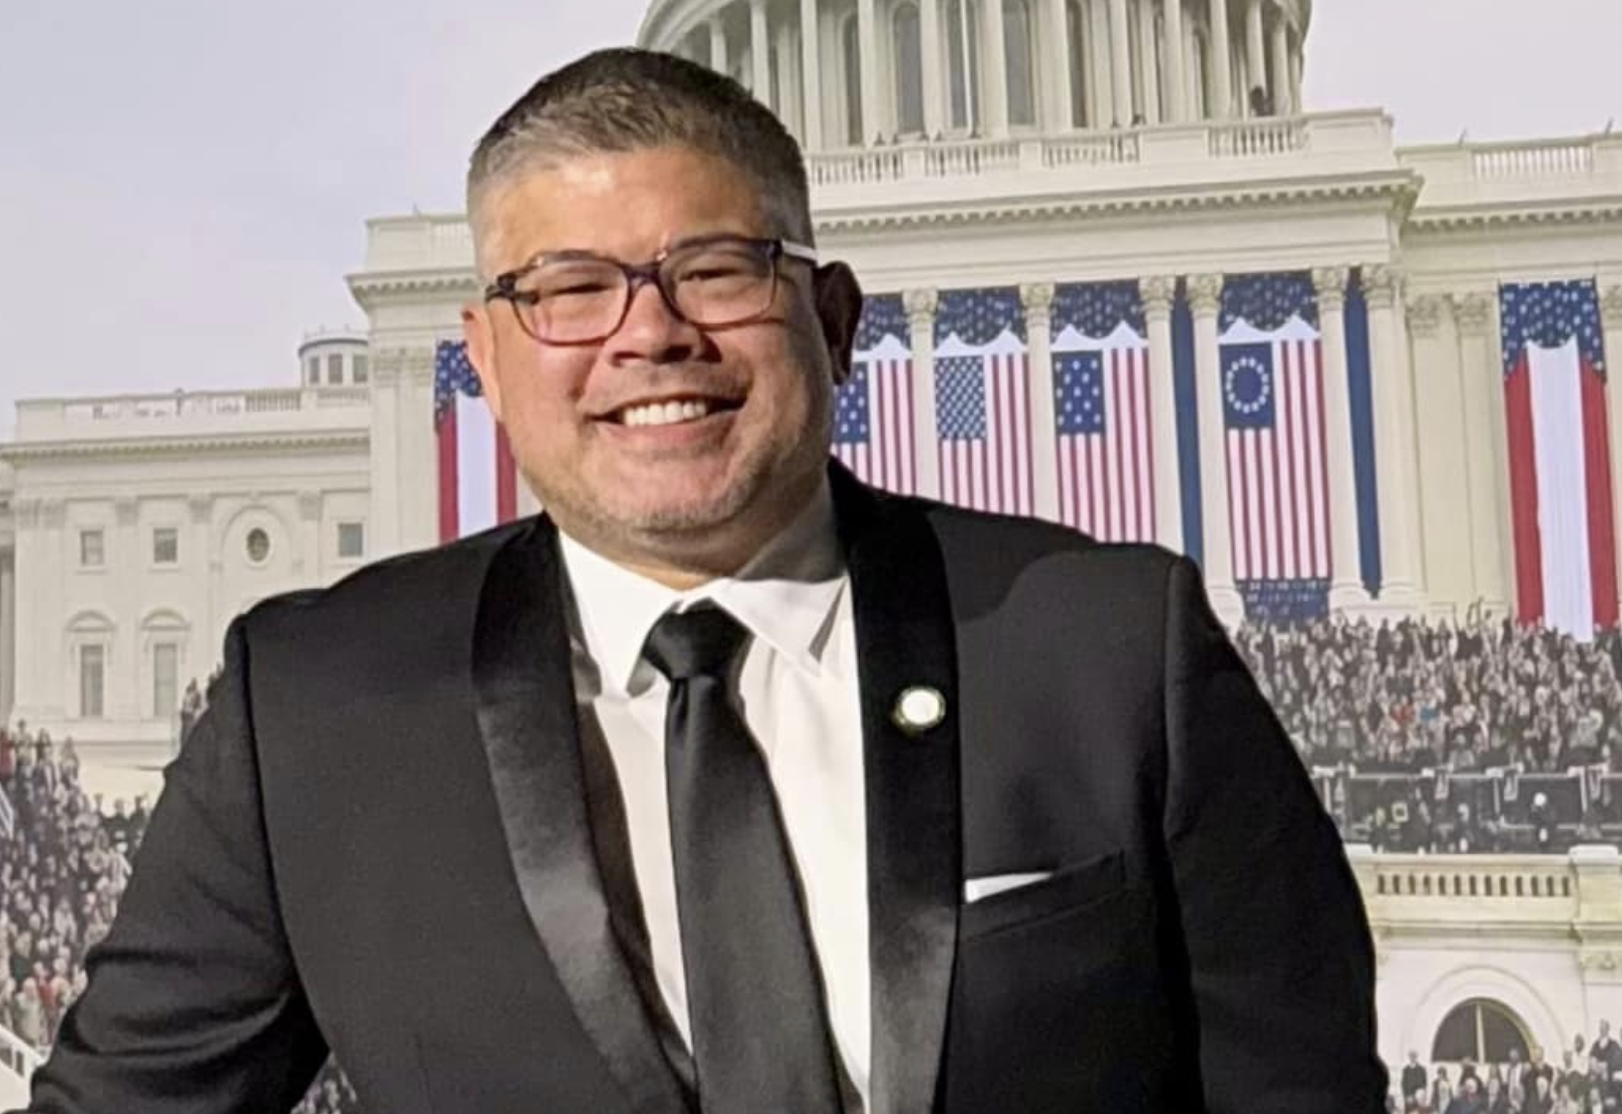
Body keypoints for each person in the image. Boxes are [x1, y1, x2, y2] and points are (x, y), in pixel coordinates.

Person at [14, 47, 1384, 1114]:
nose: (649, 336)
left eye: (715, 270)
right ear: (483, 363)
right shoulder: (312, 707)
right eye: (566, 290)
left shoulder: (1105, 650)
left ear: (832, 318)